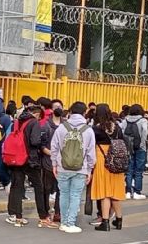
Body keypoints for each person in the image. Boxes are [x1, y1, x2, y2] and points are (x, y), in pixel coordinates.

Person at [50, 102, 96, 234]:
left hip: (62, 167)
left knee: (64, 194)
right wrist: (89, 170)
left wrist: (54, 164)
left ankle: (63, 222)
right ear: (84, 113)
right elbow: (90, 153)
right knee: (75, 195)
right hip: (80, 168)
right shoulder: (88, 130)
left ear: (70, 112)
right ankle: (71, 223)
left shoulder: (61, 128)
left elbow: (54, 147)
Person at [6, 105, 54, 228]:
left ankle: (16, 216)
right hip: (29, 159)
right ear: (37, 114)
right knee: (39, 187)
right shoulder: (34, 123)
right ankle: (43, 216)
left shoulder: (18, 122)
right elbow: (34, 141)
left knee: (17, 186)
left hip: (16, 157)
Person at [91, 104, 126, 231]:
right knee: (115, 192)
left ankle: (105, 221)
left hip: (102, 160)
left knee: (105, 192)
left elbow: (90, 145)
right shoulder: (117, 127)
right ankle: (119, 220)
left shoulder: (96, 129)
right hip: (117, 160)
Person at [41, 100, 64, 222]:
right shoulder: (46, 125)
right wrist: (51, 153)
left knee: (61, 189)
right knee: (47, 188)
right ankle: (45, 211)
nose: (58, 108)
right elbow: (42, 144)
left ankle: (58, 212)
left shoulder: (66, 125)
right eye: (56, 107)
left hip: (62, 163)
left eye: (60, 106)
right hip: (48, 162)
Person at [120, 104, 148, 200]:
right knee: (139, 170)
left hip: (128, 148)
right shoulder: (143, 120)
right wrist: (142, 143)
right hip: (140, 148)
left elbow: (122, 132)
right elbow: (145, 131)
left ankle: (127, 191)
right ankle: (137, 192)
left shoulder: (125, 120)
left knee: (129, 170)